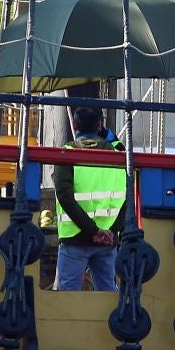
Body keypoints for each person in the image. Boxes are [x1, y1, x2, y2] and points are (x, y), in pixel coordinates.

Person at [52, 106, 126, 292]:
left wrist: (92, 230)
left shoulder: (66, 153)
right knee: (108, 293)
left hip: (74, 239)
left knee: (67, 297)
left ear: (74, 125)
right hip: (108, 240)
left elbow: (64, 195)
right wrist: (110, 231)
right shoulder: (117, 156)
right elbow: (128, 197)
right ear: (100, 125)